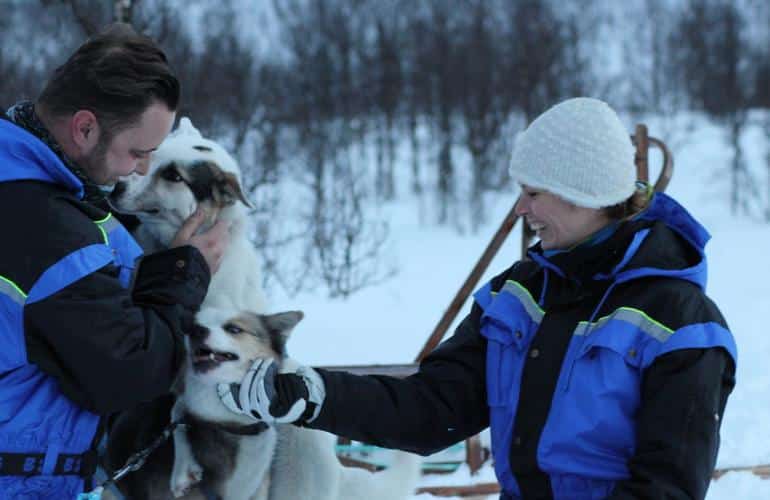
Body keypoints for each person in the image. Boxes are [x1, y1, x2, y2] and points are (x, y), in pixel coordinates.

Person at [219, 97, 738, 499]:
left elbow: (666, 487)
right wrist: (311, 394)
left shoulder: (681, 325)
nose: (520, 208)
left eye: (534, 192)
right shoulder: (518, 294)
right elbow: (430, 410)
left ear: (586, 195)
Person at [0, 24, 228, 498]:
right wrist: (185, 274)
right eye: (137, 152)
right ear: (84, 128)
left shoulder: (44, 187)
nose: (140, 169)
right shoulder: (42, 228)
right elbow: (129, 374)